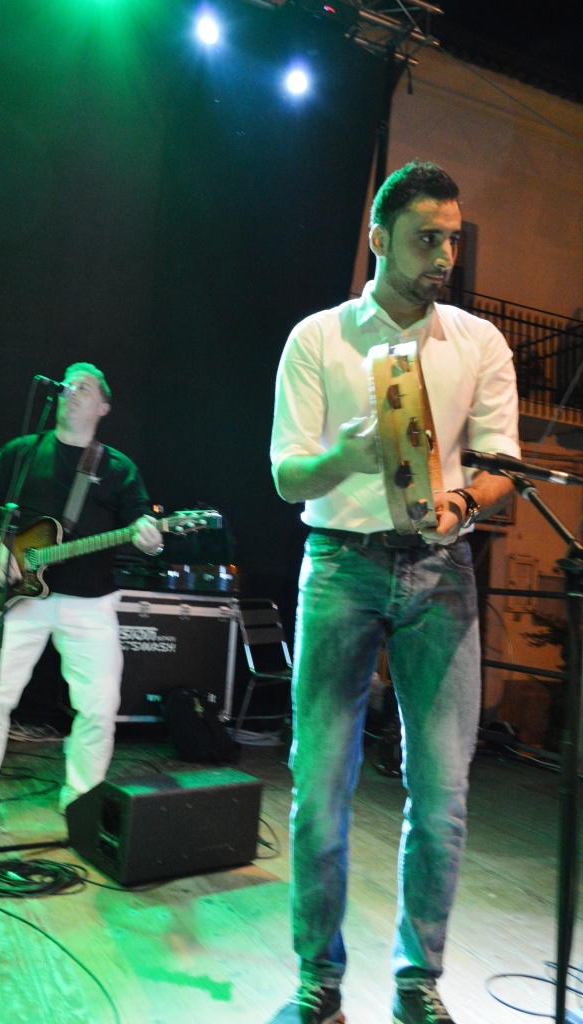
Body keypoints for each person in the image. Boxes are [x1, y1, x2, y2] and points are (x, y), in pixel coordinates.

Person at [268, 161, 520, 1024]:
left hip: (440, 569)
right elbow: (286, 475)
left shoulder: (479, 342)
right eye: (425, 239)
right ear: (378, 238)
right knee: (318, 789)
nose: (443, 255)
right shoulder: (318, 338)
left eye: (451, 239)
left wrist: (462, 502)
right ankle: (318, 980)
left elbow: (501, 465)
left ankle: (418, 982)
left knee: (441, 796)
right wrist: (344, 456)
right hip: (340, 563)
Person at [0, 362, 163, 844]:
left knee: (99, 707)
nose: (71, 390)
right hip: (19, 600)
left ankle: (82, 807)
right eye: (68, 384)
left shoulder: (119, 469)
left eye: (85, 386)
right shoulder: (22, 451)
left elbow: (143, 525)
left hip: (91, 604)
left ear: (103, 406)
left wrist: (151, 536)